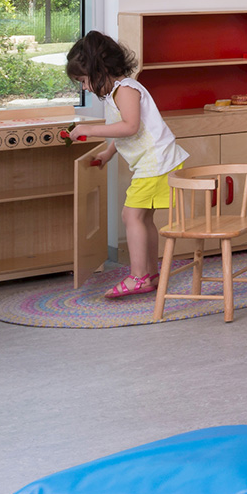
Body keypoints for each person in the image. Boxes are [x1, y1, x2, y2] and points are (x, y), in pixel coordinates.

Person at [65, 31, 189, 299]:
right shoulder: (118, 93)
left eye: (84, 81)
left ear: (99, 70)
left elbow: (129, 127)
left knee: (130, 216)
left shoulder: (126, 90)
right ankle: (151, 273)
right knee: (143, 218)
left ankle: (138, 277)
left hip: (155, 163)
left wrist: (89, 128)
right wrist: (109, 153)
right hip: (157, 162)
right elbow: (130, 132)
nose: (85, 88)